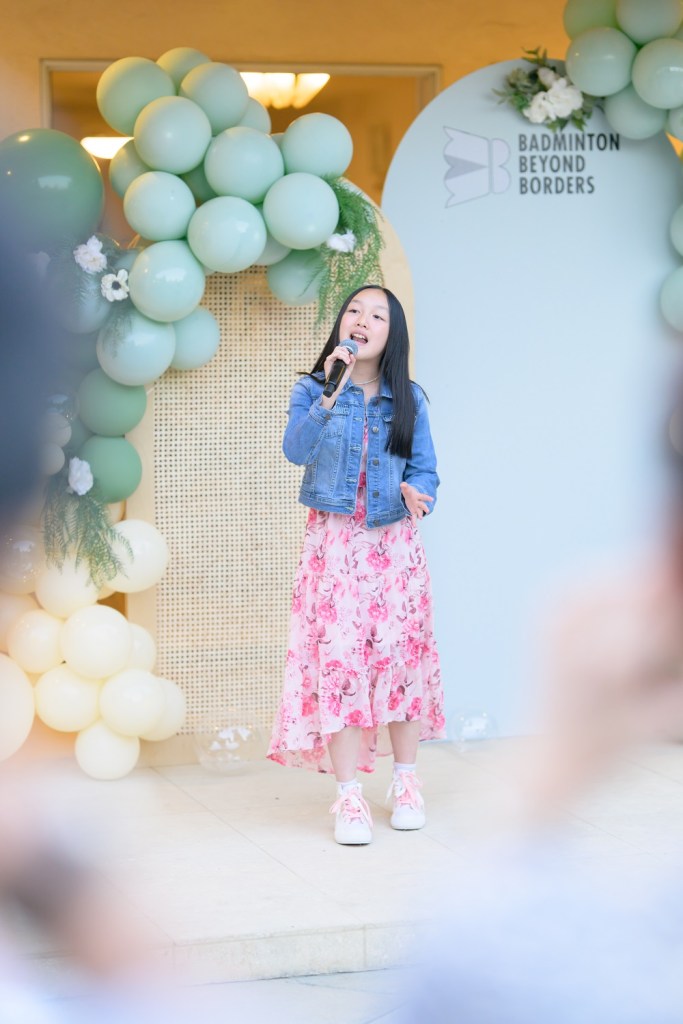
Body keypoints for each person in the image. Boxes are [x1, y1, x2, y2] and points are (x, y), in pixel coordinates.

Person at [268, 284, 446, 845]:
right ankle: (348, 798)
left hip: (395, 547)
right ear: (342, 324)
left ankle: (407, 783)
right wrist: (330, 392)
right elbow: (296, 450)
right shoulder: (312, 388)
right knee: (341, 666)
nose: (363, 320)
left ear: (393, 335)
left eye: (378, 315)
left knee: (400, 661)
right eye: (354, 310)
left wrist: (419, 493)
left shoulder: (408, 398)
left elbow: (425, 470)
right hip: (335, 548)